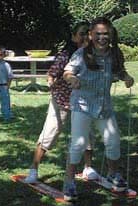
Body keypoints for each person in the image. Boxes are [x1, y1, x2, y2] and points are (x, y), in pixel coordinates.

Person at [62, 17, 135, 201]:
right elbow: (67, 72)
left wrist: (127, 78)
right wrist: (72, 79)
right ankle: (69, 182)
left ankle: (112, 174)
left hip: (104, 107)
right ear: (91, 35)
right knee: (78, 145)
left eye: (106, 34)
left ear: (111, 35)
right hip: (82, 106)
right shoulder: (81, 53)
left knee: (113, 141)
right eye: (98, 34)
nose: (102, 37)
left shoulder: (115, 54)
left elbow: (119, 71)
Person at [23, 22, 100, 183]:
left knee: (87, 135)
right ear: (73, 37)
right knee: (50, 133)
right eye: (81, 33)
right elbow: (52, 74)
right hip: (61, 101)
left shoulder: (94, 56)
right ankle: (34, 170)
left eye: (88, 33)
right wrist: (51, 81)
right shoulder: (65, 55)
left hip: (83, 102)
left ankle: (88, 168)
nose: (85, 36)